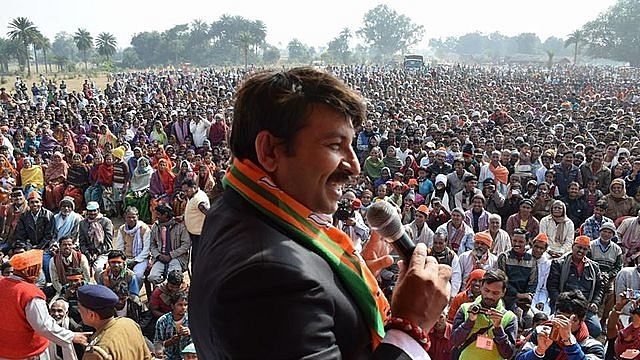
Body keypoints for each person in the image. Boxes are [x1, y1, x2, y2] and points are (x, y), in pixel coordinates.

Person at [189, 67, 452, 358]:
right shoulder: (270, 277)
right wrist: (410, 326)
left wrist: (342, 285)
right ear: (270, 151)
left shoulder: (231, 207)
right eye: (335, 145)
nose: (354, 166)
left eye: (352, 146)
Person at [0, 249, 89, 360]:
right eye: (37, 268)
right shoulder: (30, 293)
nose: (39, 273)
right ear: (30, 270)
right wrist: (72, 336)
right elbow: (44, 326)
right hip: (29, 353)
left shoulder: (2, 283)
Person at [515, 291, 605, 360]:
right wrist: (539, 351)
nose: (562, 323)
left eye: (569, 319)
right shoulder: (542, 332)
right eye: (559, 316)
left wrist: (570, 343)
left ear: (582, 320)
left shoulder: (593, 346)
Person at [451, 269, 518, 360]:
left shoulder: (509, 318)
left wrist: (498, 328)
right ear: (481, 287)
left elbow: (508, 354)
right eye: (486, 290)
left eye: (495, 293)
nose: (490, 296)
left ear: (503, 292)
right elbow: (455, 341)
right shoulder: (465, 309)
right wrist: (470, 321)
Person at [546, 235, 603, 337]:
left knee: (595, 329)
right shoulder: (559, 263)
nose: (581, 251)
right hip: (563, 305)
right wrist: (560, 304)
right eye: (579, 247)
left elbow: (599, 288)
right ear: (573, 246)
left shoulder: (594, 267)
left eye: (584, 249)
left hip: (584, 307)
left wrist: (595, 303)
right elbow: (552, 287)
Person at [78, 284, 152, 360]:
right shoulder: (129, 323)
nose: (78, 311)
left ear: (91, 315)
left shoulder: (97, 352)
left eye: (79, 308)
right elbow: (147, 357)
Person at [588, 222, 623, 330]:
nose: (606, 234)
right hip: (592, 274)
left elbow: (618, 267)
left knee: (612, 294)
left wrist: (608, 275)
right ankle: (590, 315)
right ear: (600, 232)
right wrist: (598, 274)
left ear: (613, 235)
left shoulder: (616, 249)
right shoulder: (591, 245)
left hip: (609, 277)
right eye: (604, 231)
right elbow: (587, 261)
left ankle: (603, 320)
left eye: (609, 232)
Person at [497, 228, 538, 311]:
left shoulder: (532, 260)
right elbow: (503, 280)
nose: (517, 244)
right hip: (506, 296)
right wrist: (517, 294)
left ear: (527, 242)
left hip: (524, 299)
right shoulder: (504, 257)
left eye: (521, 242)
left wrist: (528, 295)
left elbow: (533, 282)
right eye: (515, 241)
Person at [148, 204, 191, 285]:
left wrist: (171, 255)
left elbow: (186, 245)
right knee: (152, 277)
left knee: (173, 278)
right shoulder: (155, 226)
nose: (156, 216)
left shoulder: (180, 226)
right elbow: (152, 244)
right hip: (160, 257)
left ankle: (167, 290)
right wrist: (158, 255)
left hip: (177, 258)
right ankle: (165, 288)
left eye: (158, 214)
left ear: (165, 215)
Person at [114, 206, 151, 287]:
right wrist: (124, 260)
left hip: (141, 258)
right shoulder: (122, 229)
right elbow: (120, 247)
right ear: (125, 217)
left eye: (133, 217)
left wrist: (136, 261)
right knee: (118, 273)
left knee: (138, 275)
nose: (131, 219)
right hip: (126, 258)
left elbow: (147, 249)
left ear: (137, 217)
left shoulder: (144, 229)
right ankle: (122, 294)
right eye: (129, 217)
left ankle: (134, 293)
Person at [79, 201, 114, 277]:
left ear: (98, 210)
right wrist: (87, 253)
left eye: (94, 210)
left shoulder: (106, 222)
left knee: (98, 268)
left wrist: (97, 253)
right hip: (88, 252)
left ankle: (100, 286)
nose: (92, 213)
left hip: (104, 252)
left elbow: (108, 243)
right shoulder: (82, 223)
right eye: (90, 211)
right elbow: (82, 242)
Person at [155, 291, 192, 360]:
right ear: (172, 306)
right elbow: (158, 344)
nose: (183, 308)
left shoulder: (192, 319)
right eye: (180, 305)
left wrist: (190, 333)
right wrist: (171, 341)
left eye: (185, 305)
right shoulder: (162, 321)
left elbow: (200, 339)